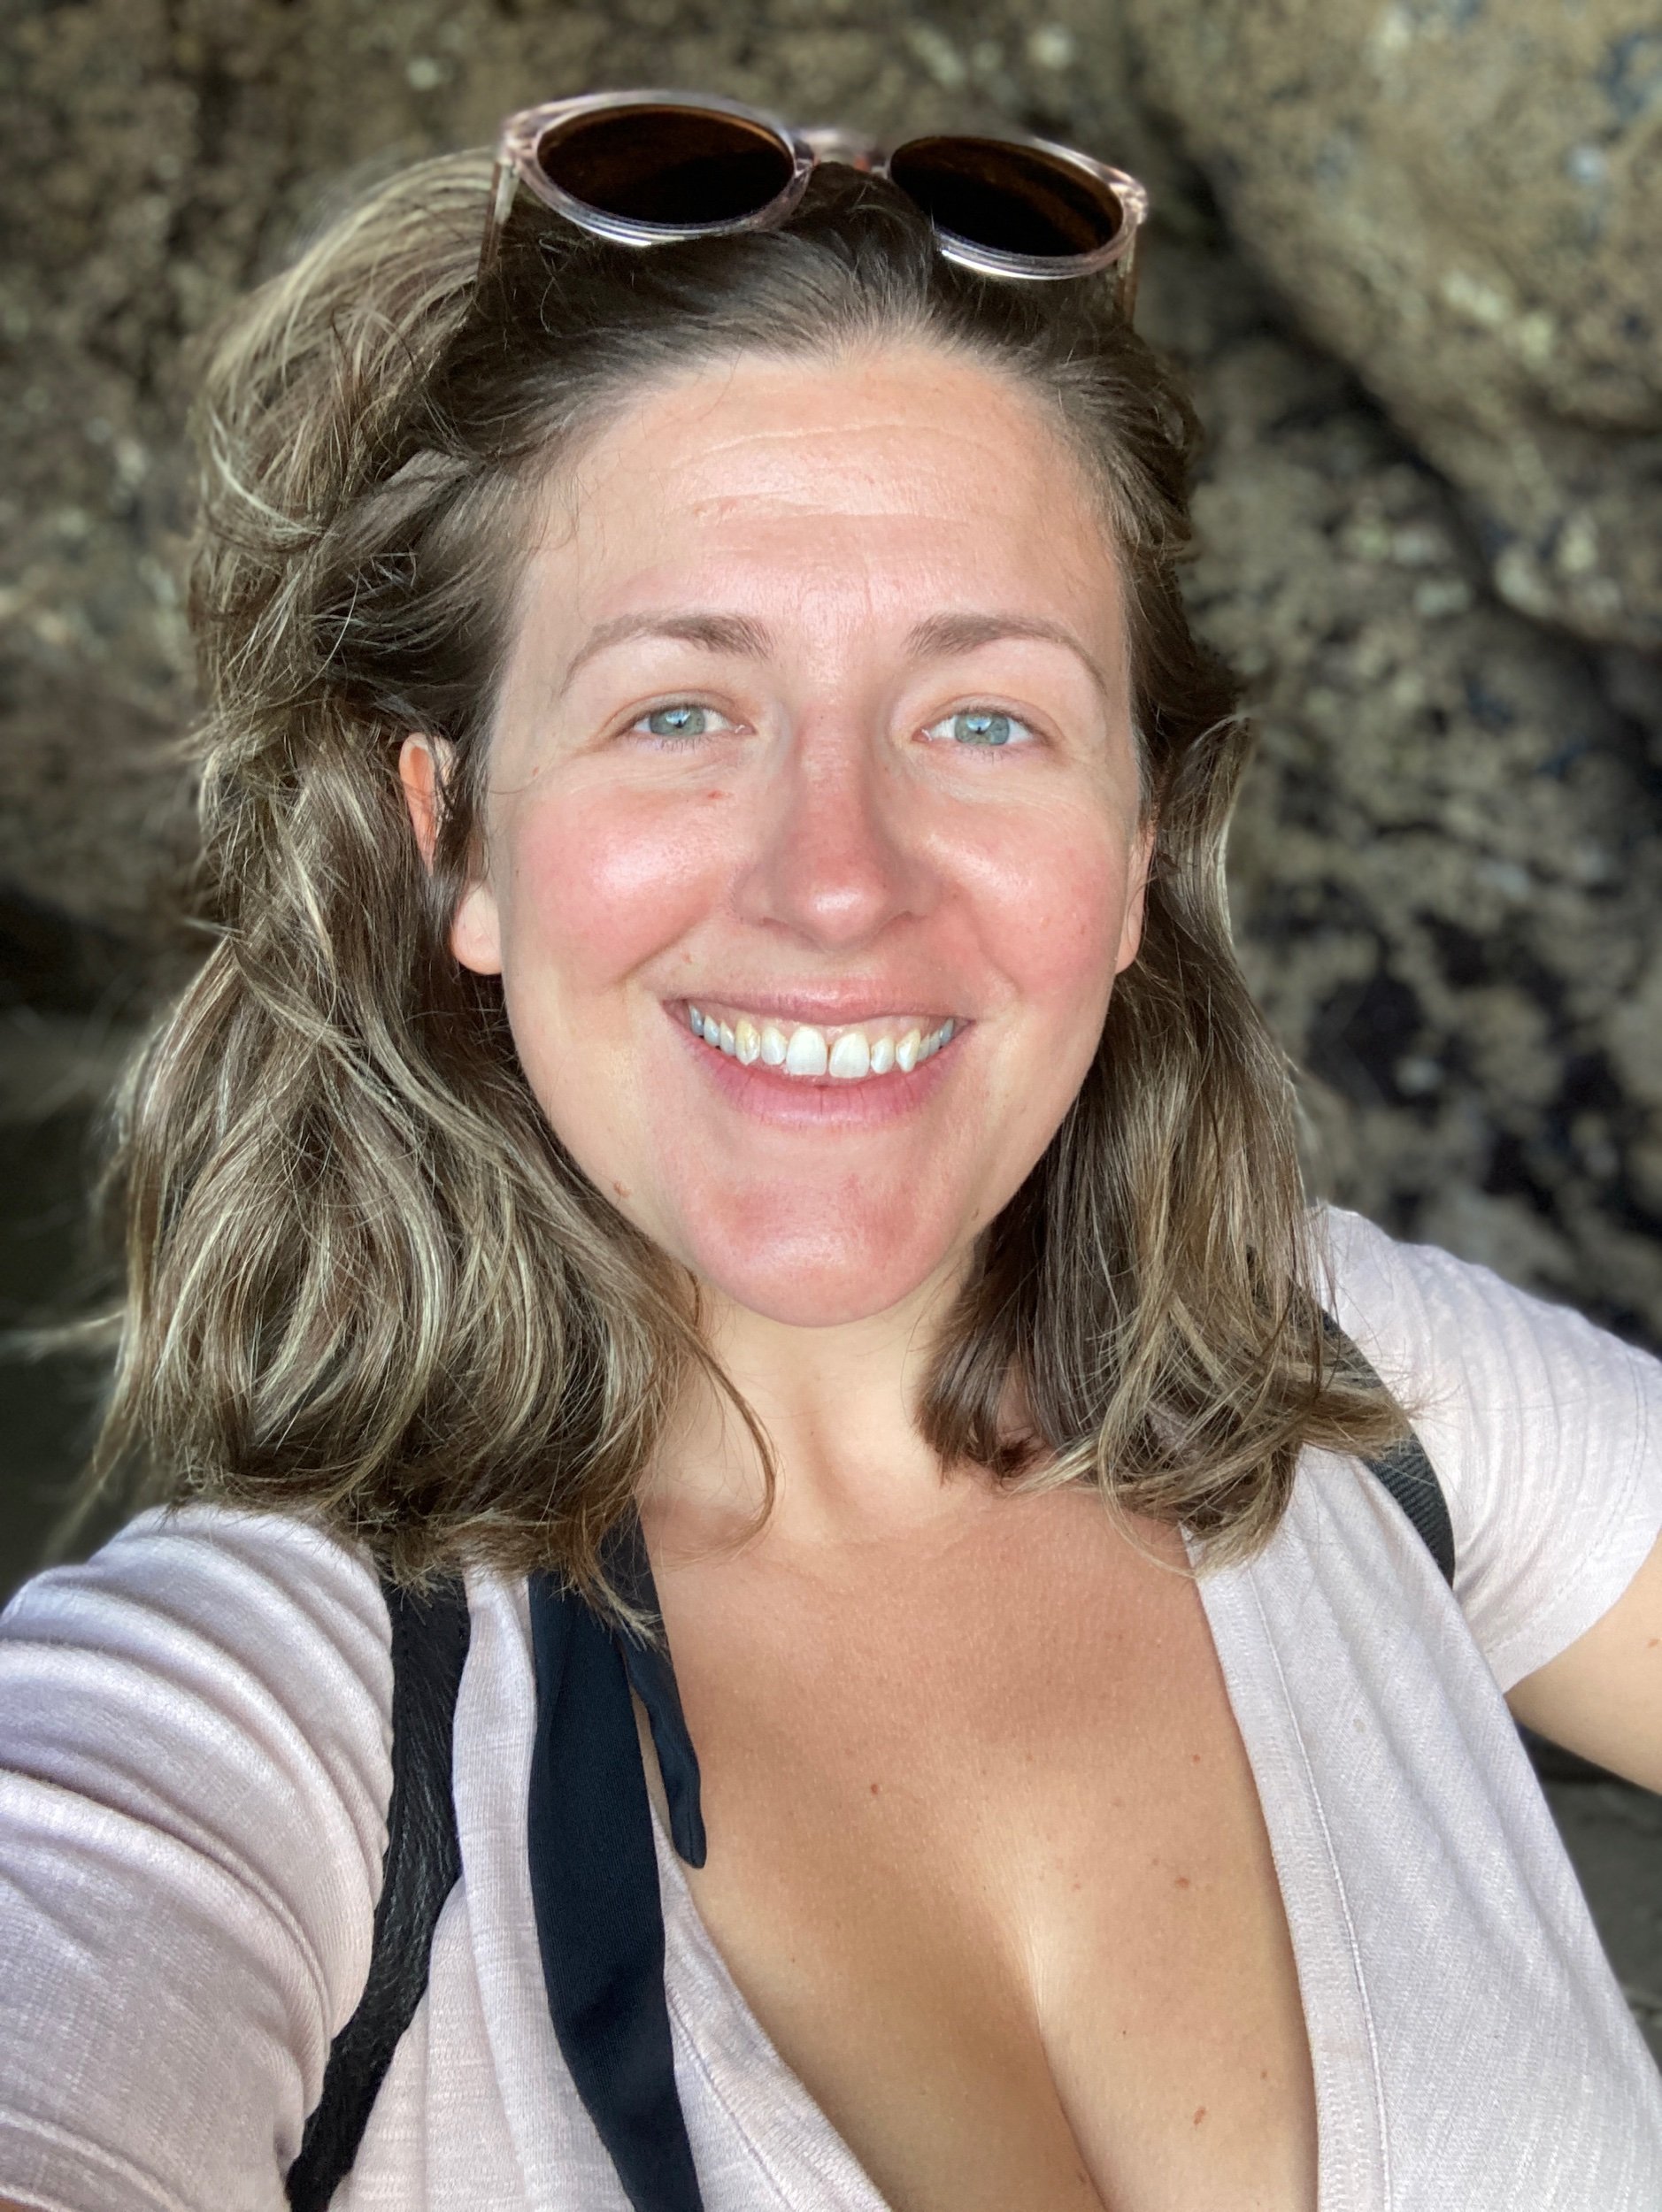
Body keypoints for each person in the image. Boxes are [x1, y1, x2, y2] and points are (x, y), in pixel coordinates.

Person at [1, 90, 1659, 2212]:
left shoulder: (1352, 1391)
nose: (840, 882)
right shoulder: (256, 1724)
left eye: (985, 719)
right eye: (679, 710)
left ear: (1138, 847)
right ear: (458, 843)